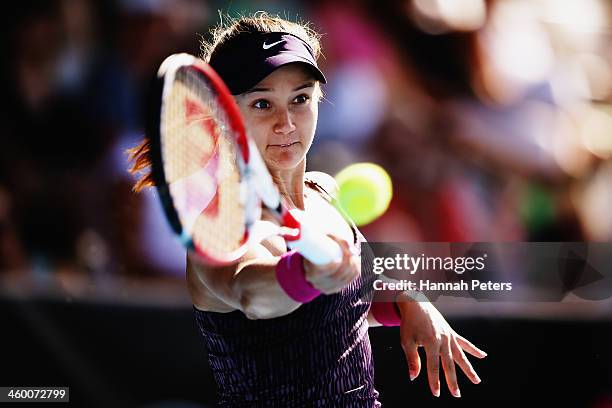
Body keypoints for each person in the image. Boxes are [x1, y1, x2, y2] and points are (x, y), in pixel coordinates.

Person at [128, 12, 486, 407]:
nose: (286, 123)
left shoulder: (322, 195)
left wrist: (409, 301)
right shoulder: (221, 230)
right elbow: (252, 291)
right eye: (262, 103)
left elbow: (348, 299)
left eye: (300, 99)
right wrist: (304, 274)